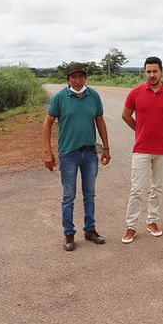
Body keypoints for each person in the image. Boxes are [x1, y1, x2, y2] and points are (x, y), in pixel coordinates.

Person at [42, 62, 111, 251]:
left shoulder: (93, 96)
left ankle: (90, 230)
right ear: (68, 79)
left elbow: (100, 121)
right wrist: (48, 153)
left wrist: (106, 147)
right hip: (68, 155)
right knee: (68, 196)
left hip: (89, 153)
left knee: (90, 194)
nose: (78, 80)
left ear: (85, 78)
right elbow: (47, 125)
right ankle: (69, 233)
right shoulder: (60, 98)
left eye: (81, 76)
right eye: (74, 77)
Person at [121, 56, 163, 244]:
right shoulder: (135, 93)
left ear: (161, 72)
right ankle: (131, 226)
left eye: (155, 71)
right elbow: (125, 115)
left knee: (158, 188)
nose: (152, 75)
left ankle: (152, 222)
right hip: (141, 149)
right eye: (148, 71)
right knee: (137, 189)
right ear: (144, 72)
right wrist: (140, 130)